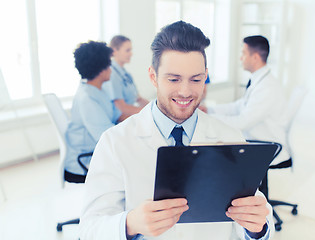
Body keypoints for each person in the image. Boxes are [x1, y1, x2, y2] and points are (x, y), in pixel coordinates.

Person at [79, 22, 274, 240]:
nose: (185, 91)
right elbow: (89, 230)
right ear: (153, 77)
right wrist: (130, 223)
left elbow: (256, 214)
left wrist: (257, 228)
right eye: (173, 79)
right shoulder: (115, 142)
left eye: (196, 79)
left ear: (205, 76)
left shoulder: (230, 138)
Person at [201, 35, 288, 164]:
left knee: (215, 150)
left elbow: (242, 122)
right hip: (255, 138)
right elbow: (239, 106)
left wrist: (209, 118)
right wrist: (209, 110)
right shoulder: (259, 79)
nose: (241, 58)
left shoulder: (267, 87)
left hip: (267, 145)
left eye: (243, 53)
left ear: (255, 57)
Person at [64, 41, 125, 180]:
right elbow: (106, 138)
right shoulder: (87, 98)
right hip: (84, 163)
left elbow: (118, 115)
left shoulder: (98, 90)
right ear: (102, 70)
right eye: (109, 65)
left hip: (96, 154)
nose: (111, 69)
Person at [102, 35, 149, 120]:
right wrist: (149, 112)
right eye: (128, 50)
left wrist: (156, 107)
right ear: (114, 51)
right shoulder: (111, 74)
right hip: (121, 120)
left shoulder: (126, 74)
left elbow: (138, 99)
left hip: (131, 115)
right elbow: (121, 107)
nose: (131, 54)